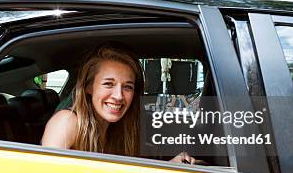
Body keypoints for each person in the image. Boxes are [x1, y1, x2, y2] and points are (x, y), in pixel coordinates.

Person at [42, 44, 198, 164]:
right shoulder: (67, 122)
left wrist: (171, 167)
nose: (118, 96)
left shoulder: (120, 130)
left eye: (127, 87)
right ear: (89, 87)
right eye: (109, 84)